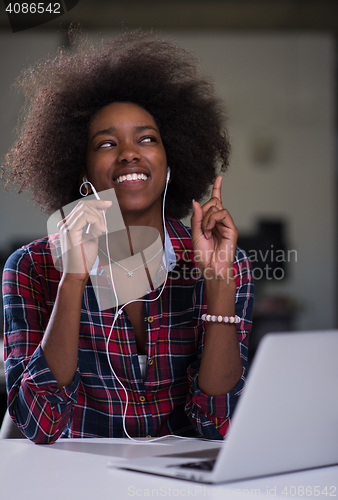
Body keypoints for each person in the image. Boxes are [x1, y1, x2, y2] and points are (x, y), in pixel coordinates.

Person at [1, 30, 254, 444]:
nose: (129, 152)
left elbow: (218, 425)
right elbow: (40, 424)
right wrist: (73, 279)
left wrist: (219, 284)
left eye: (147, 139)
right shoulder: (29, 267)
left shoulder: (225, 261)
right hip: (73, 479)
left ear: (170, 162)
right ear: (82, 173)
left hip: (181, 481)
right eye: (106, 143)